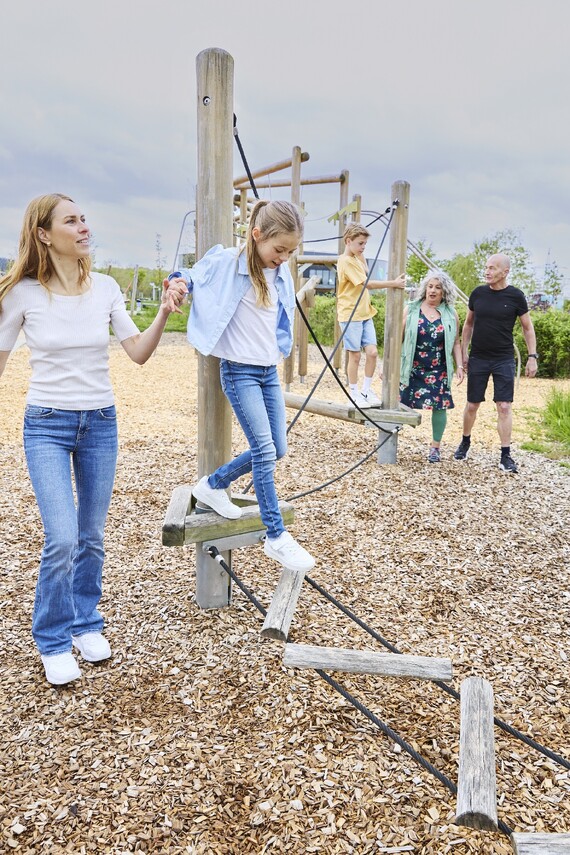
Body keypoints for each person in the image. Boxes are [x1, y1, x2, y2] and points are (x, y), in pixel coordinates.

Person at [0, 193, 186, 686]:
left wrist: (165, 311)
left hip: (100, 423)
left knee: (91, 537)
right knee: (61, 536)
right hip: (46, 424)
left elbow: (139, 353)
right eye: (71, 221)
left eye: (84, 219)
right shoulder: (21, 294)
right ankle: (54, 639)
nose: (84, 227)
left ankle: (86, 623)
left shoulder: (104, 288)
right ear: (44, 234)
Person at [168, 200, 315, 574]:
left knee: (277, 448)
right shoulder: (229, 262)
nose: (283, 257)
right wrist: (178, 283)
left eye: (290, 251)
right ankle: (276, 536)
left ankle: (213, 485)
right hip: (239, 372)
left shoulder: (280, 274)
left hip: (267, 371)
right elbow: (190, 273)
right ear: (256, 235)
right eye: (278, 249)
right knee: (263, 450)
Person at [454, 253, 538, 473]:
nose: (487, 271)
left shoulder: (516, 296)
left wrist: (532, 357)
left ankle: (505, 455)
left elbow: (527, 328)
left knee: (504, 406)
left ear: (505, 271)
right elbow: (468, 325)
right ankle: (465, 441)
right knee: (472, 404)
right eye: (486, 267)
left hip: (503, 359)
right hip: (478, 357)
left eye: (492, 268)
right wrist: (464, 353)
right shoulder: (478, 294)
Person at [336, 223, 406, 407]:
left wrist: (360, 253)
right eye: (360, 243)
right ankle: (353, 393)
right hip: (350, 313)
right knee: (355, 356)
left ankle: (366, 390)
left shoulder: (357, 257)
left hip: (365, 312)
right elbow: (367, 284)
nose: (363, 247)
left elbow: (366, 270)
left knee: (373, 353)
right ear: (348, 241)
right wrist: (393, 283)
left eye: (365, 244)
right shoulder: (344, 261)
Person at [400, 272, 464, 462]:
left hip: (439, 368)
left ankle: (435, 447)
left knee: (440, 406)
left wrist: (459, 365)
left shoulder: (451, 314)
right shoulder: (411, 309)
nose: (433, 290)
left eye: (438, 287)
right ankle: (390, 439)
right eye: (430, 286)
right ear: (424, 289)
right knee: (398, 402)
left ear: (444, 292)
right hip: (412, 365)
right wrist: (387, 366)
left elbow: (456, 343)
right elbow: (397, 338)